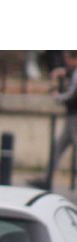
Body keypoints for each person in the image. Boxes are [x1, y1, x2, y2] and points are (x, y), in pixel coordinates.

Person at [32, 50, 77, 188]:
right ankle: (46, 178)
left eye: (68, 59)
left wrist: (56, 95)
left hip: (75, 116)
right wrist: (64, 72)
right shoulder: (73, 72)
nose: (67, 62)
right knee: (58, 147)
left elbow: (72, 96)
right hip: (72, 116)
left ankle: (47, 178)